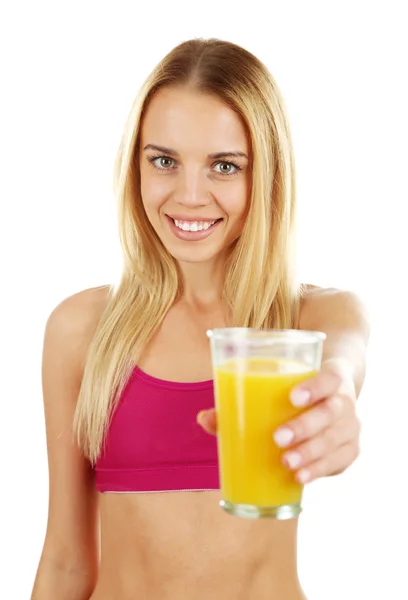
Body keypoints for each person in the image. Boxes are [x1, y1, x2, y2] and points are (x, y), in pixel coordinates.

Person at [31, 37, 370, 600]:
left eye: (224, 166)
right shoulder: (81, 331)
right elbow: (66, 561)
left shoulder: (311, 318)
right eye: (164, 161)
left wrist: (335, 396)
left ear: (267, 175)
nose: (190, 195)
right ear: (134, 165)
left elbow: (342, 360)